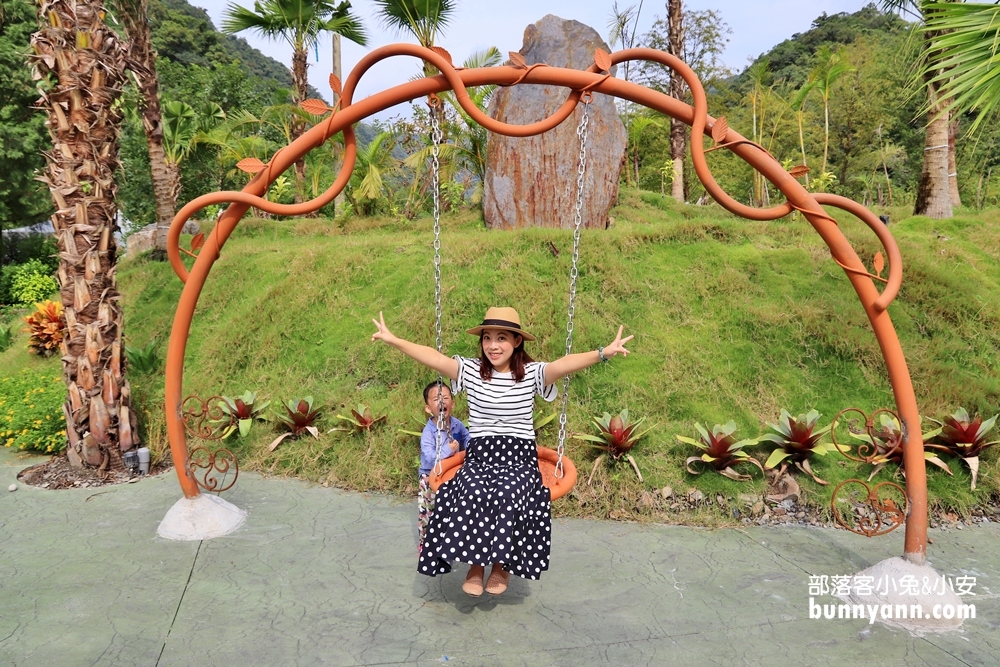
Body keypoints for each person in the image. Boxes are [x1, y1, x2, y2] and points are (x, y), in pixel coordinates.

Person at [372, 306, 632, 596]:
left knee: (509, 491)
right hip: (480, 455)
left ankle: (500, 565)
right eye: (487, 338)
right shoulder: (469, 371)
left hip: (518, 457)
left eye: (501, 338)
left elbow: (563, 364)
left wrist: (603, 352)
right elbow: (434, 358)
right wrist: (394, 340)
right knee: (470, 489)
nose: (493, 346)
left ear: (516, 341)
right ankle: (474, 565)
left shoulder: (533, 374)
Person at [417, 381, 469, 556]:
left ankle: (449, 546)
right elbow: (430, 457)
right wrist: (449, 450)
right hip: (429, 478)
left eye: (445, 398)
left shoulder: (457, 425)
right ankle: (426, 547)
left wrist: (471, 449)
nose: (441, 402)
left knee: (452, 511)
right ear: (428, 408)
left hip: (451, 476)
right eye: (436, 399)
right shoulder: (429, 432)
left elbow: (467, 438)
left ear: (452, 404)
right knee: (428, 513)